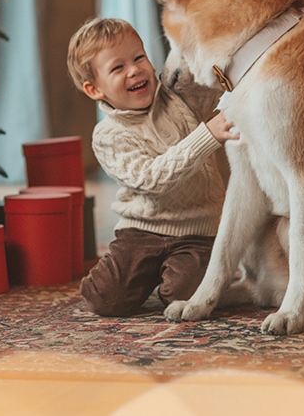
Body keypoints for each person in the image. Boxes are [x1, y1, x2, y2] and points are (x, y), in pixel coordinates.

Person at [66, 17, 238, 316]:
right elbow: (150, 180)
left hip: (198, 229)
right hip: (140, 230)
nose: (134, 70)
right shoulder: (108, 136)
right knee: (106, 300)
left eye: (139, 57)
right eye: (118, 68)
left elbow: (219, 85)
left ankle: (184, 275)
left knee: (184, 295)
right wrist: (206, 135)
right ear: (94, 89)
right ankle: (123, 273)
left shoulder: (180, 97)